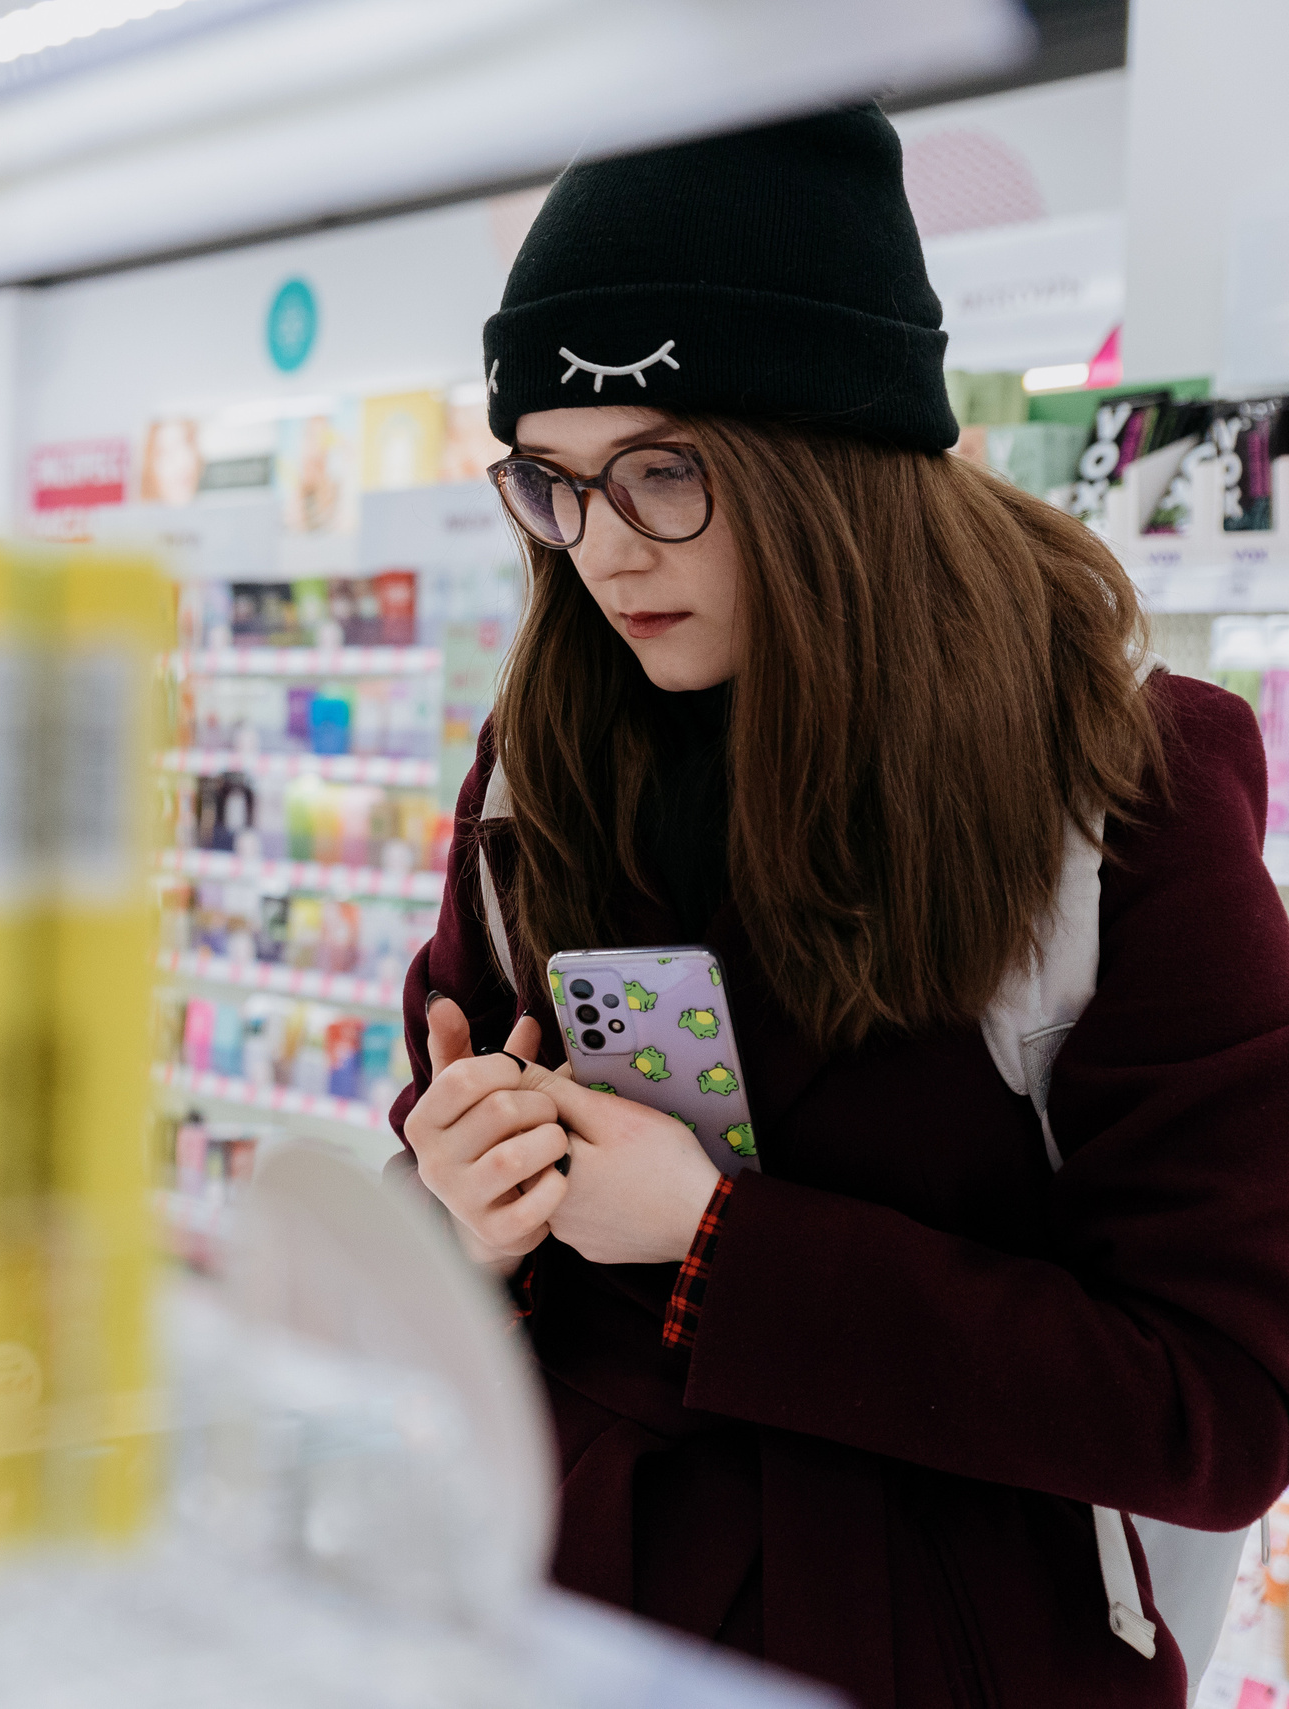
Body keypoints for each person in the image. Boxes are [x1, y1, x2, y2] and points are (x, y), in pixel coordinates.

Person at [388, 105, 1289, 1709]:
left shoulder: (1122, 788)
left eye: (666, 472)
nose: (599, 548)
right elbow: (451, 1149)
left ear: (831, 455)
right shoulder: (543, 765)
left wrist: (724, 1244)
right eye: (553, 481)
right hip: (568, 1614)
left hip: (957, 1646)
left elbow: (1221, 1404)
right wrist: (455, 1201)